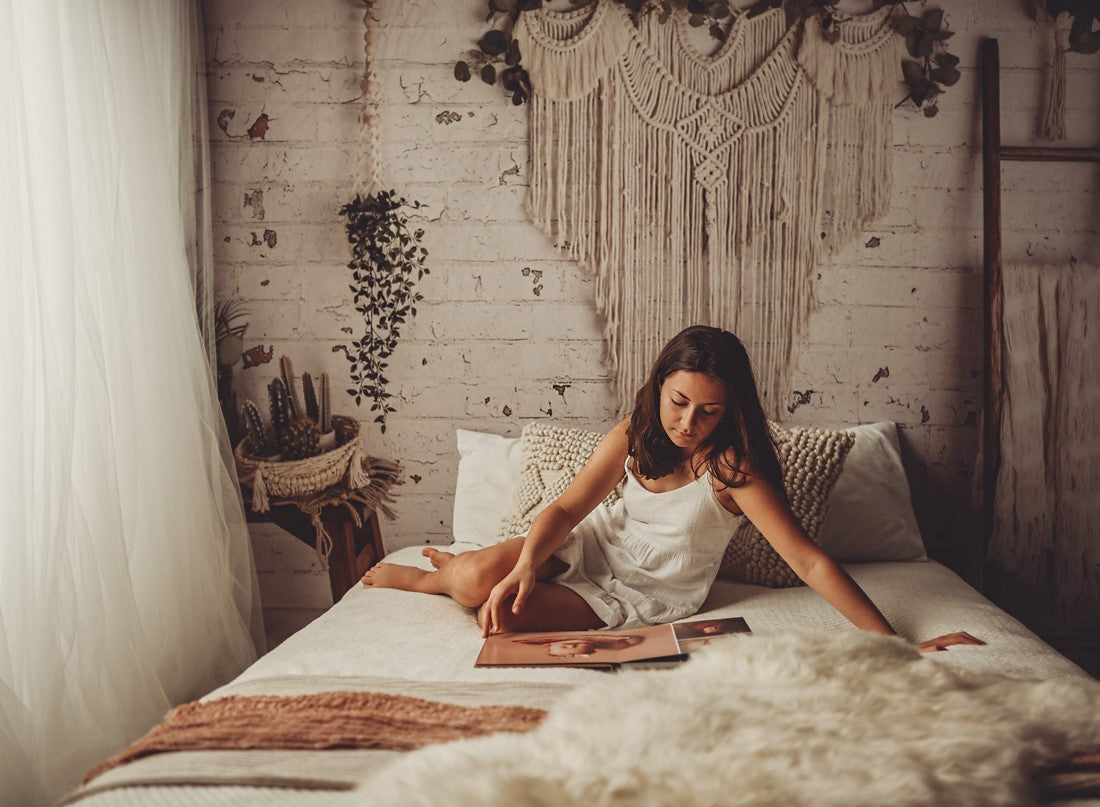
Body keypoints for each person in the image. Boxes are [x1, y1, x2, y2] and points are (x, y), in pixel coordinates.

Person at [363, 325, 982, 654]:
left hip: (642, 592)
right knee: (480, 582)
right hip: (587, 546)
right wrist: (527, 562)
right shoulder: (635, 430)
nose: (688, 424)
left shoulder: (735, 470)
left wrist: (898, 645)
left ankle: (458, 570)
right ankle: (437, 574)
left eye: (709, 412)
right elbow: (569, 507)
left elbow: (808, 560)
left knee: (500, 623)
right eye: (679, 402)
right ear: (659, 385)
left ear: (731, 410)